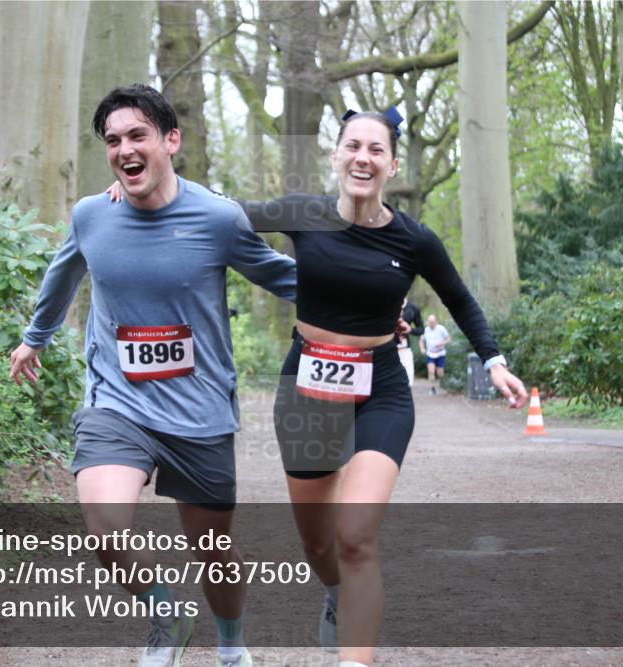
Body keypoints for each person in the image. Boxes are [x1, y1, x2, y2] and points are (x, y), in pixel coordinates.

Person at [108, 108, 528, 666]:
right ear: (336, 156)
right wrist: (145, 183)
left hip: (379, 391)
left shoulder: (414, 239)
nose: (363, 158)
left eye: (376, 150)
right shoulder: (304, 213)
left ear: (392, 165)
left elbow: (460, 299)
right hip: (306, 391)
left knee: (355, 536)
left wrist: (494, 361)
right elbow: (224, 211)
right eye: (353, 146)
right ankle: (335, 593)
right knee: (318, 544)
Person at [10, 84, 296, 667]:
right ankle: (167, 613)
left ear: (171, 141)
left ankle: (232, 644)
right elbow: (63, 277)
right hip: (117, 402)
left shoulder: (218, 218)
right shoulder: (93, 215)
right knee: (105, 528)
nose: (124, 149)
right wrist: (34, 337)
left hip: (199, 409)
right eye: (113, 140)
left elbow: (282, 276)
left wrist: (365, 307)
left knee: (213, 551)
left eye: (137, 135)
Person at [418, 314, 451, 395]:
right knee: (431, 371)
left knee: (440, 373)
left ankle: (442, 385)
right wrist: (422, 348)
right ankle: (432, 389)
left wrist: (442, 343)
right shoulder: (425, 330)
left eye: (432, 322)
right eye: (429, 322)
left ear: (436, 321)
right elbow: (421, 341)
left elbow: (448, 339)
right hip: (430, 353)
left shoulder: (441, 328)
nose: (431, 323)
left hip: (440, 353)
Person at [396, 297, 424, 386]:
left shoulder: (413, 308)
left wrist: (410, 329)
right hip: (387, 349)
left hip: (405, 349)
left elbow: (421, 329)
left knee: (408, 381)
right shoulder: (386, 304)